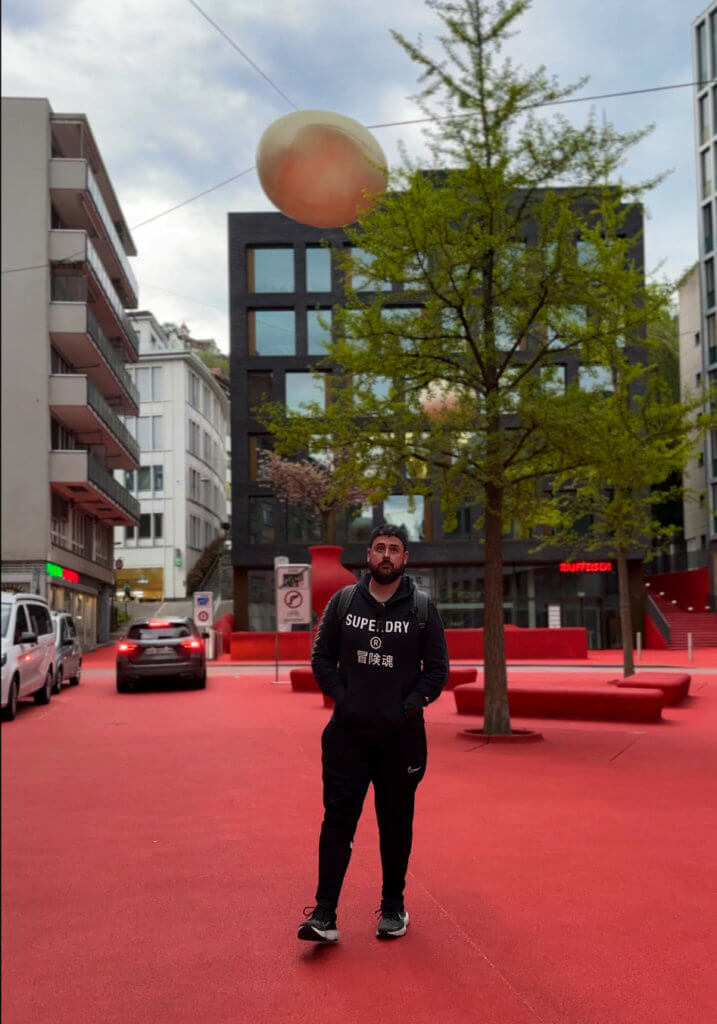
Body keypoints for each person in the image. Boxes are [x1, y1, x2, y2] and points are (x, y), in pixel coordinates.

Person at [298, 523, 449, 944]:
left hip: (401, 739)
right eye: (379, 548)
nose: (386, 554)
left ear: (405, 560)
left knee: (395, 823)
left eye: (394, 549)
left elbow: (437, 670)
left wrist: (412, 703)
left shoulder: (421, 608)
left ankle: (393, 907)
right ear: (368, 555)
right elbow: (322, 658)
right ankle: (324, 914)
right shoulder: (344, 602)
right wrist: (343, 698)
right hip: (348, 735)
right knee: (338, 821)